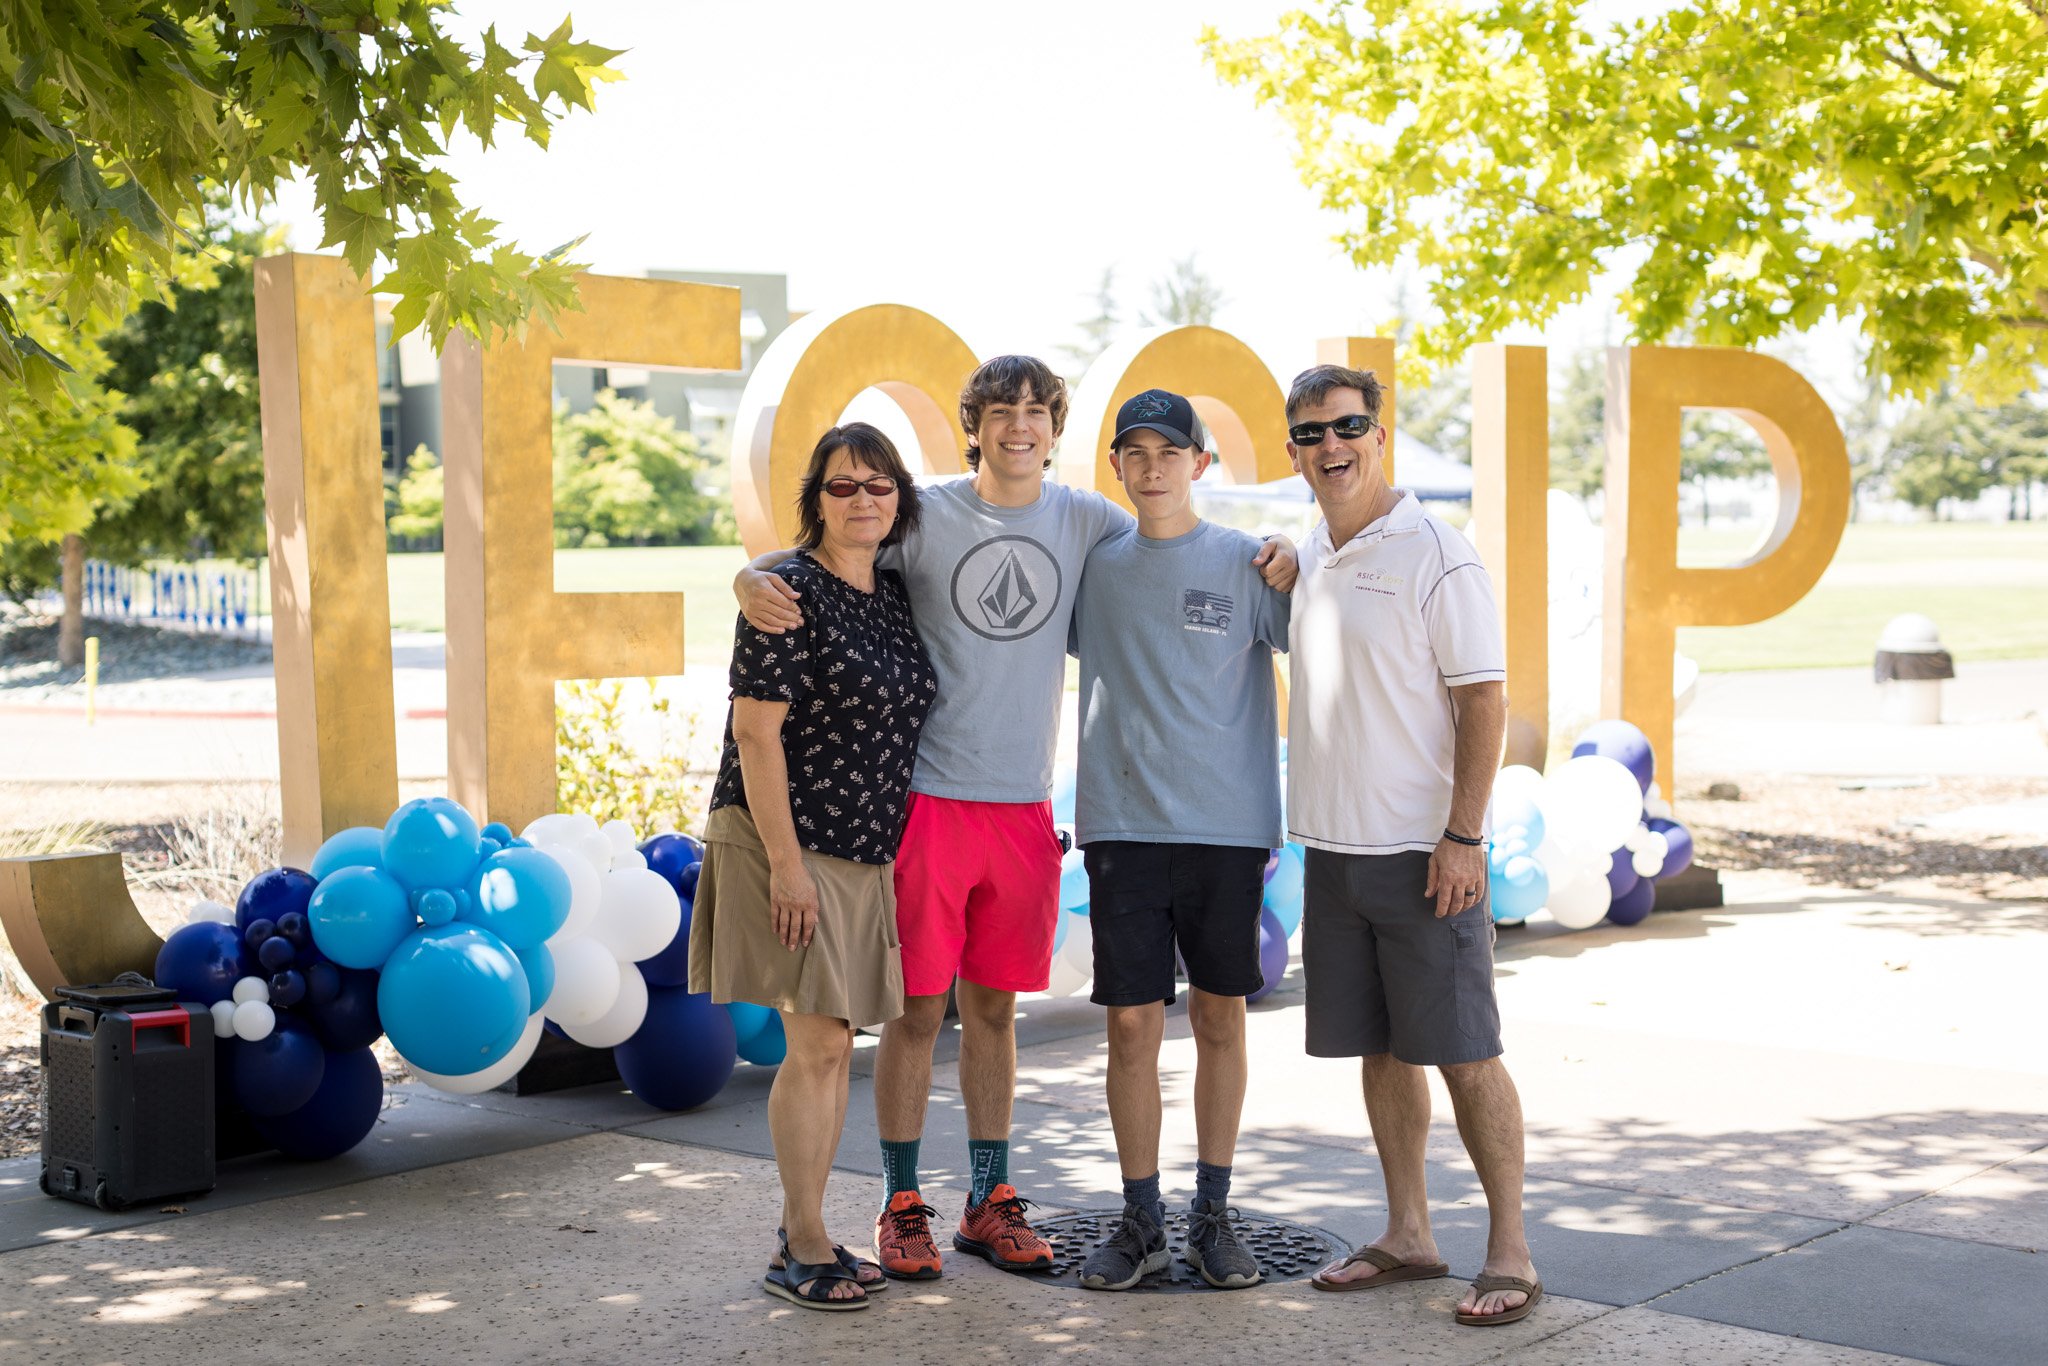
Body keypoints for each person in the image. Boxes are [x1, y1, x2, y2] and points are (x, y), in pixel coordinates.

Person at [737, 356, 1298, 1280]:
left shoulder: (1088, 520)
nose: (1019, 425)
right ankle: (902, 1203)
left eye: (1036, 410)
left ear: (1057, 429)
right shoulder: (923, 513)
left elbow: (1175, 539)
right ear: (975, 426)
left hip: (1025, 809)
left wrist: (1282, 548)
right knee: (919, 1012)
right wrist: (746, 578)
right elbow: (823, 552)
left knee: (994, 1012)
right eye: (1001, 410)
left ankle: (988, 1200)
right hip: (929, 803)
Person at [1281, 363, 1542, 1327]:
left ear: (1379, 436)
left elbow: (1485, 701)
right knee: (1381, 1051)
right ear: (1294, 451)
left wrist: (1464, 836)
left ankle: (1511, 1251)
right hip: (1334, 854)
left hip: (1425, 857)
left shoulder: (1438, 552)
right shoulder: (1313, 549)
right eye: (1312, 432)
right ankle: (1409, 1233)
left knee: (1466, 1054)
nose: (1332, 445)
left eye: (1348, 426)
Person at [689, 422, 937, 1311]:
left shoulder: (894, 593)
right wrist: (786, 868)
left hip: (862, 849)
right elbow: (757, 736)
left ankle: (810, 1232)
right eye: (843, 486)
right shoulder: (785, 594)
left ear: (899, 499)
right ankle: (799, 1243)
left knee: (834, 1048)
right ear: (816, 500)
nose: (863, 499)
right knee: (819, 1043)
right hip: (785, 841)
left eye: (879, 484)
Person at [1066, 390, 1290, 1292]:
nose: (1152, 467)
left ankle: (1213, 1216)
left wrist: (1300, 555)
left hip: (1226, 831)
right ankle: (1141, 1221)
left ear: (1200, 463)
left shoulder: (1249, 563)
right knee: (1130, 1027)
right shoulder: (1093, 568)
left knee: (1220, 1018)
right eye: (1136, 452)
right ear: (1116, 466)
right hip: (1122, 828)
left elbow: (1333, 630)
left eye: (1170, 452)